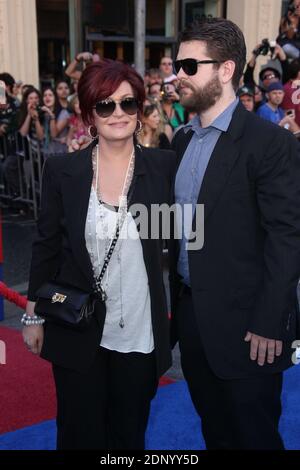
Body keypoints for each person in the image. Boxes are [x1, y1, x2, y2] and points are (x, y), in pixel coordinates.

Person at [23, 59, 176, 450]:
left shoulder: (162, 168)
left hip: (139, 334)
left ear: (140, 110)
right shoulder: (64, 171)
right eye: (105, 105)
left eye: (128, 103)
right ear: (90, 112)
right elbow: (47, 247)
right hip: (79, 329)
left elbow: (186, 238)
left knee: (128, 438)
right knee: (80, 435)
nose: (118, 113)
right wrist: (33, 314)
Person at [169, 17, 300, 450]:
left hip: (250, 330)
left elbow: (287, 236)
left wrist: (269, 322)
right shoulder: (183, 141)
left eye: (190, 66)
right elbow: (181, 229)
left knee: (254, 438)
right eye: (177, 64)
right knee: (215, 432)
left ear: (226, 70)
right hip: (193, 321)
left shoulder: (269, 143)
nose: (177, 75)